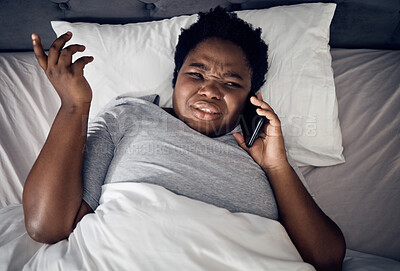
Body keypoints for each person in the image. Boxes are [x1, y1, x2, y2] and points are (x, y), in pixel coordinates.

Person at [23, 7, 345, 270]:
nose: (210, 90)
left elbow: (326, 258)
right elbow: (46, 225)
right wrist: (73, 106)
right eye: (197, 74)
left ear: (251, 98)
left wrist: (276, 167)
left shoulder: (265, 151)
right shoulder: (129, 115)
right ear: (176, 78)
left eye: (231, 83)